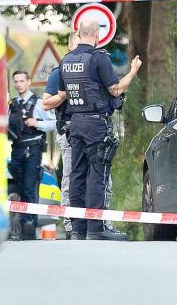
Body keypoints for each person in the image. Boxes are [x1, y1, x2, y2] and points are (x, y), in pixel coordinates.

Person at [53, 19, 141, 241]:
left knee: (77, 175)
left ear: (80, 34)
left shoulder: (66, 61)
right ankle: (96, 228)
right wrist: (133, 71)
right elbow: (115, 90)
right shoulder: (99, 58)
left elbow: (62, 93)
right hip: (95, 124)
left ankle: (78, 229)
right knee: (97, 175)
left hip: (75, 123)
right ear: (97, 35)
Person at [8, 69, 57, 241]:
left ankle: (29, 225)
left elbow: (54, 123)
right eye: (16, 81)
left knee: (30, 188)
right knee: (19, 188)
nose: (19, 84)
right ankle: (21, 228)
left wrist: (37, 123)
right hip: (16, 149)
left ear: (29, 82)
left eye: (22, 81)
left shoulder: (38, 103)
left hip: (33, 149)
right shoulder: (12, 105)